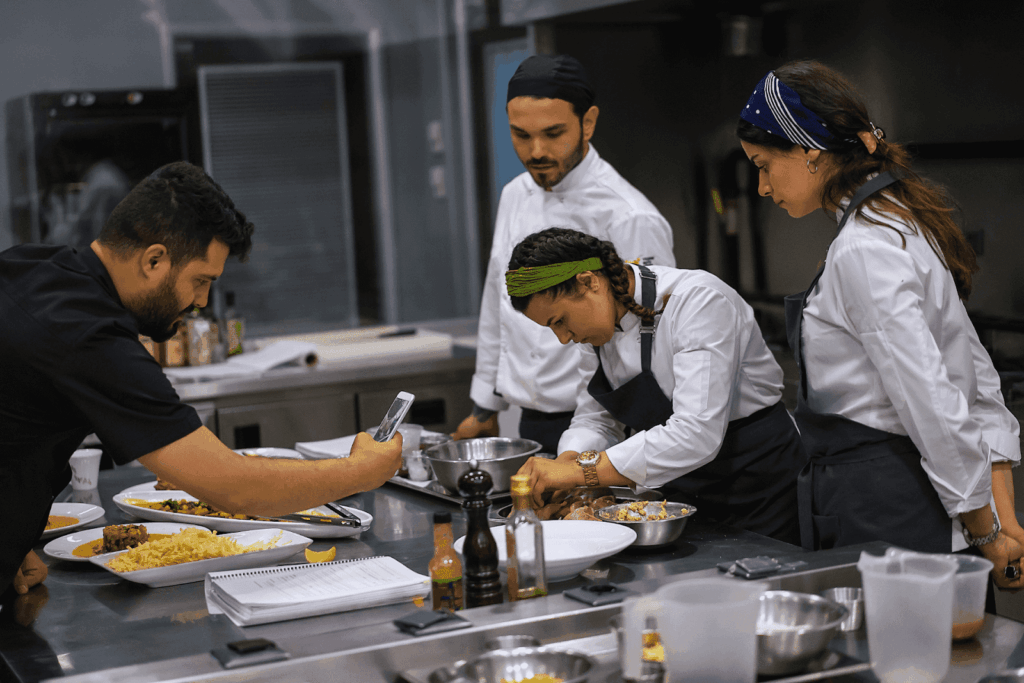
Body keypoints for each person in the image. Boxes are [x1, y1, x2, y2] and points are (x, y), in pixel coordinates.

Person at [0, 161, 403, 598]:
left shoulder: (32, 267)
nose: (201, 301)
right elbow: (234, 487)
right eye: (200, 280)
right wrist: (358, 471)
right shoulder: (89, 335)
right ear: (154, 259)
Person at [736, 61, 1023, 584]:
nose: (760, 186)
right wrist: (1003, 518)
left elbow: (930, 399)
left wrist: (985, 530)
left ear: (809, 153)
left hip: (890, 506)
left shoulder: (862, 249)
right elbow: (974, 373)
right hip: (920, 496)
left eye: (763, 165)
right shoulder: (901, 220)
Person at [509, 227, 807, 544]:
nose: (563, 338)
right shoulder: (597, 327)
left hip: (757, 483)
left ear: (588, 282)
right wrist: (566, 461)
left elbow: (696, 433)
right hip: (680, 490)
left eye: (559, 321)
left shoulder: (697, 301)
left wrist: (581, 471)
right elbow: (596, 417)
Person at [452, 54, 676, 454]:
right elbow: (497, 302)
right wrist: (484, 405)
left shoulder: (629, 216)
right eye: (520, 135)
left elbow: (655, 337)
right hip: (525, 420)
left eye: (553, 133)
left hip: (600, 425)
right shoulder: (514, 194)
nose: (536, 150)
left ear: (587, 122)